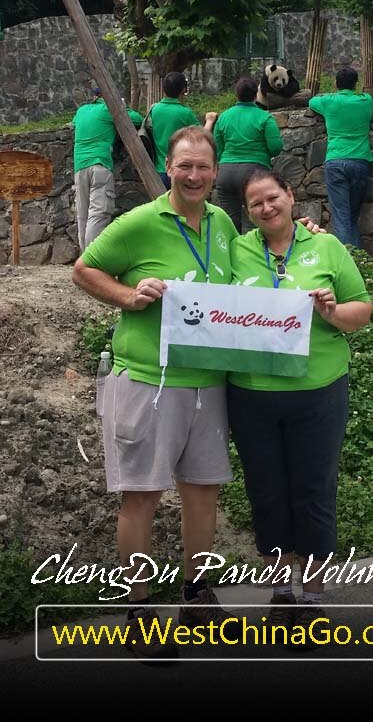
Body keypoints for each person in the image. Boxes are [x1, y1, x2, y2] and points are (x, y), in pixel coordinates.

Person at [72, 125, 238, 658]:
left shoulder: (224, 223)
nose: (194, 175)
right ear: (169, 166)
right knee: (141, 495)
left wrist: (302, 229)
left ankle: (196, 596)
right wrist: (129, 295)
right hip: (147, 380)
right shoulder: (140, 221)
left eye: (203, 167)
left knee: (203, 492)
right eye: (184, 165)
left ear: (215, 171)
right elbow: (84, 269)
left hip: (207, 381)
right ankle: (140, 611)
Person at [226, 167, 372, 647]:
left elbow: (362, 312)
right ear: (246, 213)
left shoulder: (326, 247)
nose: (266, 208)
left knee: (313, 490)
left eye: (273, 198)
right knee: (266, 491)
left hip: (319, 390)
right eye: (255, 204)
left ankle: (311, 596)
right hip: (252, 393)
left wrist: (331, 311)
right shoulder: (235, 250)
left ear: (291, 196)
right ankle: (280, 595)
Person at [309, 66, 373, 248]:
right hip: (361, 161)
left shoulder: (329, 101)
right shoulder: (366, 100)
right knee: (352, 217)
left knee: (341, 217)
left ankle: (349, 263)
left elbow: (312, 101)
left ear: (336, 84)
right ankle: (360, 264)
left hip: (336, 161)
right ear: (356, 84)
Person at [73, 88, 143, 251]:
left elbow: (75, 124)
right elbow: (137, 119)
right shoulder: (109, 109)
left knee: (82, 215)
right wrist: (122, 106)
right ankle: (92, 258)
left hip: (79, 167)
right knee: (98, 214)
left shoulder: (82, 110)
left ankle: (84, 256)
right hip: (100, 165)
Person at [213, 76, 284, 232]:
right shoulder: (264, 117)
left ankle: (230, 254)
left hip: (225, 173)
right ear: (256, 94)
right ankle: (253, 253)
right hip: (254, 173)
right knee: (254, 224)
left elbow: (216, 149)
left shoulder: (224, 117)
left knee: (229, 225)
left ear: (236, 94)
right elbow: (275, 147)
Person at [149, 71, 217, 190]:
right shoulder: (185, 113)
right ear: (183, 90)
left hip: (158, 171)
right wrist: (210, 121)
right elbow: (202, 137)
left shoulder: (154, 109)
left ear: (164, 89)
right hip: (179, 171)